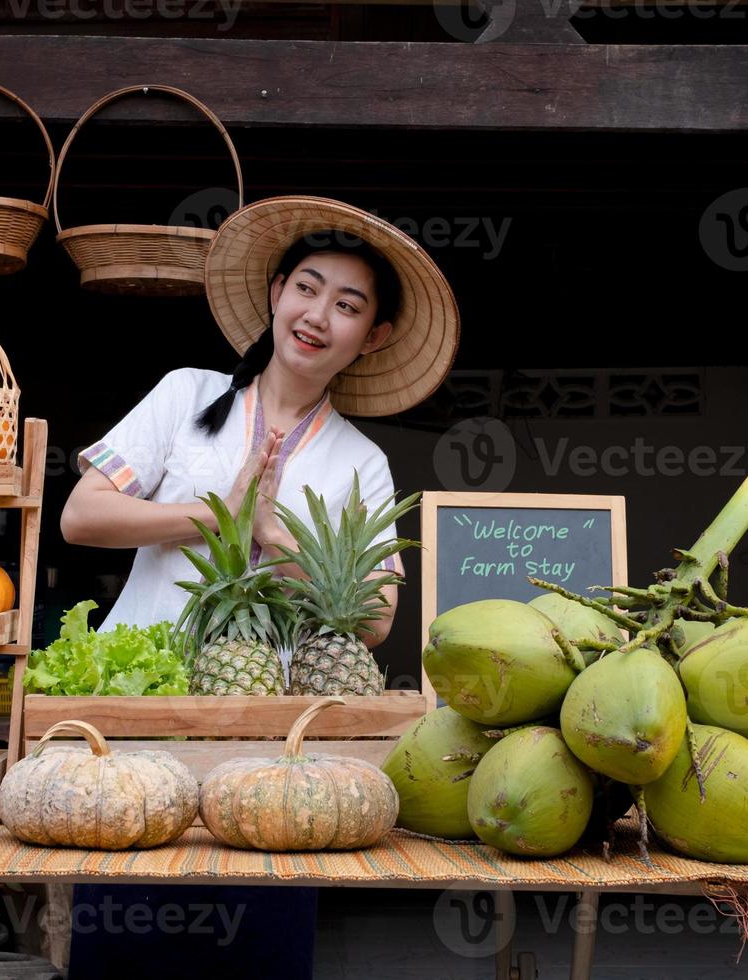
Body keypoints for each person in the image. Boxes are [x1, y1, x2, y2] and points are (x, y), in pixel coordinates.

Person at [57, 196, 460, 978]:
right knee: (118, 946)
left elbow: (375, 618)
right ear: (276, 293)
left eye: (348, 305)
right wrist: (219, 516)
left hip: (270, 751)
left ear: (371, 336)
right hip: (138, 725)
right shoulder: (185, 397)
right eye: (306, 288)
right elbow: (82, 516)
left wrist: (274, 542)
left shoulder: (361, 463)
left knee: (257, 953)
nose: (318, 315)